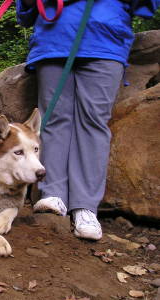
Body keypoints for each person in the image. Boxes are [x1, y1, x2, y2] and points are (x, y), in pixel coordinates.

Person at [16, 0, 159, 240]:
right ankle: (52, 194)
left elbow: (146, 5)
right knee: (53, 120)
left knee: (93, 123)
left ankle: (85, 207)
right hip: (54, 40)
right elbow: (27, 8)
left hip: (105, 42)